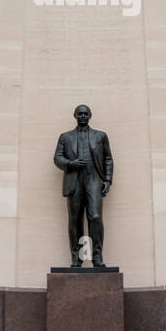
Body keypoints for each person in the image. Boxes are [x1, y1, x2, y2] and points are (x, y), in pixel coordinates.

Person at [53, 104, 113, 267]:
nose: (83, 116)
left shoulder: (100, 136)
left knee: (95, 216)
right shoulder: (65, 137)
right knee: (75, 220)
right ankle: (77, 258)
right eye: (80, 114)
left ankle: (97, 256)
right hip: (74, 180)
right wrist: (70, 163)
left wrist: (107, 180)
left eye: (85, 114)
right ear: (74, 115)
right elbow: (57, 158)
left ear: (90, 115)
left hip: (94, 179)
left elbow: (108, 159)